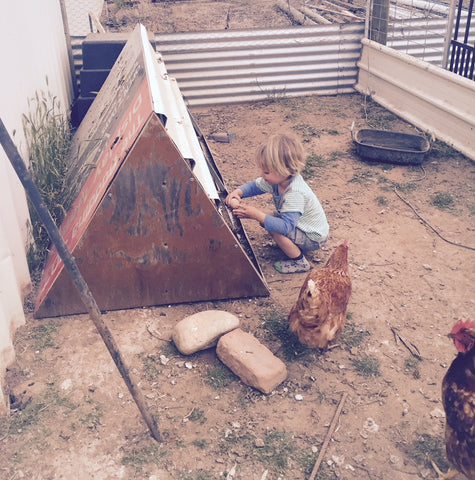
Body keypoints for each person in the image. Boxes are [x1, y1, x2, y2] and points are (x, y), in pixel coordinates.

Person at [225, 133, 329, 274]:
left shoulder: (294, 194)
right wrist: (238, 192)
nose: (262, 174)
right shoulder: (279, 180)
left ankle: (300, 262)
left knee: (274, 227)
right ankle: (289, 244)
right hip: (300, 225)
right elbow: (255, 186)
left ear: (285, 170)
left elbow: (286, 227)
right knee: (269, 220)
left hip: (313, 237)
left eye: (266, 171)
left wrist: (256, 215)